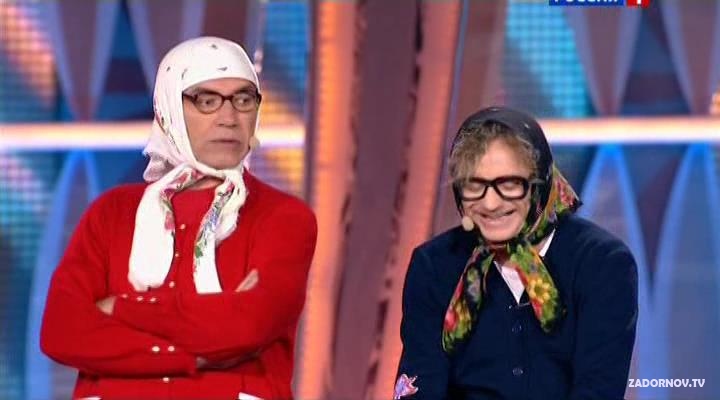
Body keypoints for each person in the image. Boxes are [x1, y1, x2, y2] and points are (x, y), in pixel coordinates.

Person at [40, 36, 317, 400]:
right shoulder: (112, 214)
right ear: (167, 108)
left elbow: (250, 325)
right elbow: (62, 330)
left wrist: (119, 309)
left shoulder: (282, 216)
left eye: (243, 99)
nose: (229, 118)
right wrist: (192, 354)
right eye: (206, 100)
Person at [394, 107, 637, 399]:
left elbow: (598, 390)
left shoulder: (602, 264)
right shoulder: (434, 266)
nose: (491, 204)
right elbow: (420, 386)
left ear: (540, 186)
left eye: (509, 184)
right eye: (475, 185)